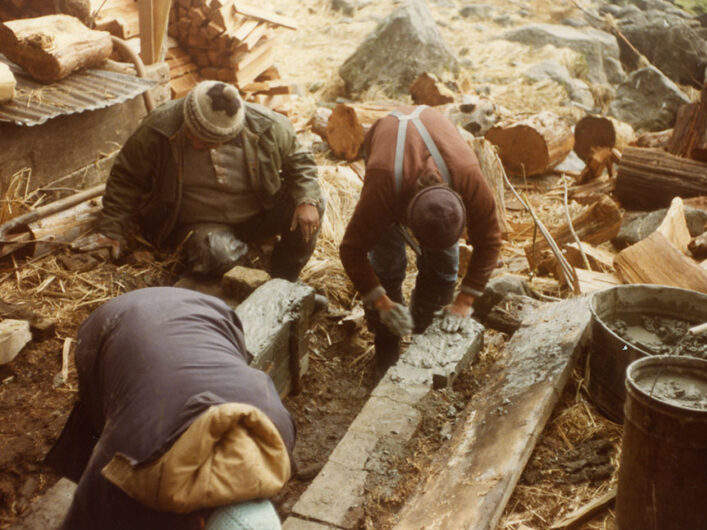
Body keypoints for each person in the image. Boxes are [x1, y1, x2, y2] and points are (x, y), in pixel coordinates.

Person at [45, 287, 296, 529]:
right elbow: (85, 518)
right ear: (197, 525)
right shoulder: (130, 460)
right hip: (117, 323)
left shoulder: (277, 437)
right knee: (114, 414)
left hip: (212, 315)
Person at [74, 80, 323, 280]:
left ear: (230, 133)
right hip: (202, 223)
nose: (195, 143)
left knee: (312, 207)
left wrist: (306, 199)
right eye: (192, 134)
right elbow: (126, 178)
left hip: (259, 211)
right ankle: (250, 271)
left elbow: (300, 160)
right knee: (218, 254)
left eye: (207, 142)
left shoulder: (267, 126)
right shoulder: (158, 128)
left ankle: (284, 278)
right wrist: (110, 231)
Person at [339, 105, 503, 370]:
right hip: (389, 149)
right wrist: (380, 301)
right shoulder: (383, 185)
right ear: (408, 221)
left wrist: (464, 301)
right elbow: (351, 250)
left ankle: (426, 341)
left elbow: (491, 240)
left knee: (444, 271)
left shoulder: (467, 176)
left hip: (434, 139)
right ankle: (387, 350)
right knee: (387, 265)